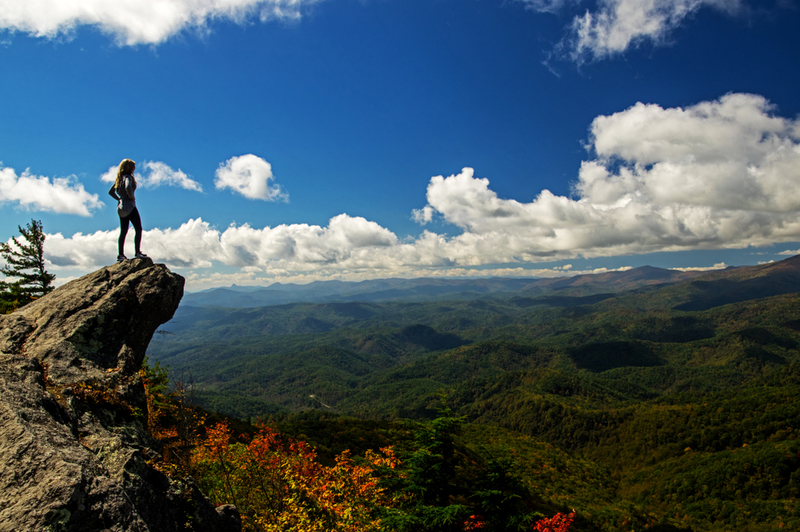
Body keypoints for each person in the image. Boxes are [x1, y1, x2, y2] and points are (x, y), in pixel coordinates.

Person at [108, 158, 147, 262]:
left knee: (123, 231)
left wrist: (120, 199)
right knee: (138, 228)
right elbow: (128, 187)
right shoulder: (128, 177)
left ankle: (120, 255)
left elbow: (111, 192)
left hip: (121, 208)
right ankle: (137, 252)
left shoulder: (118, 179)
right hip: (130, 206)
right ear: (129, 168)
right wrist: (131, 197)